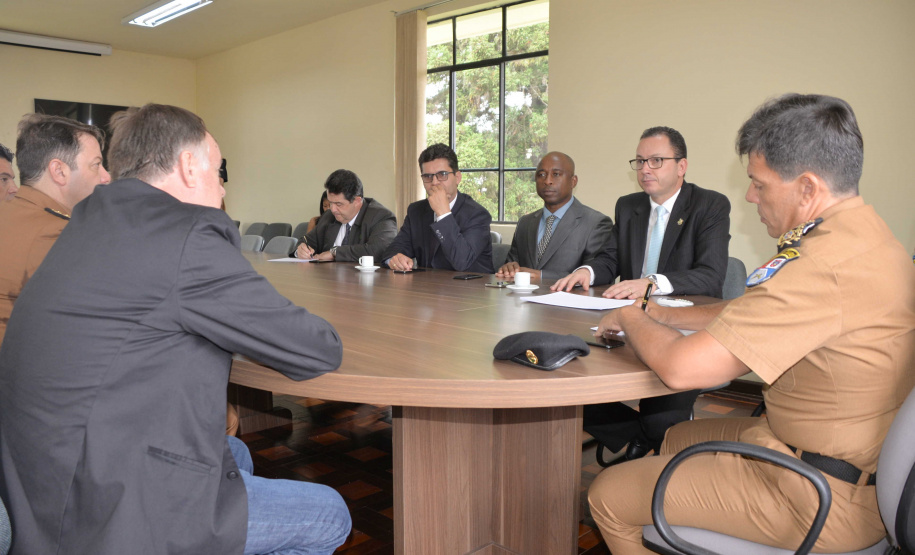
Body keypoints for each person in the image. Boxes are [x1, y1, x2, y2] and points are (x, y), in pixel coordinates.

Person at [0, 104, 351, 555]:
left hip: (41, 474)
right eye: (218, 168)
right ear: (188, 166)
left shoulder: (87, 224)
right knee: (330, 514)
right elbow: (317, 350)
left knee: (238, 454)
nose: (222, 183)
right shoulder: (183, 236)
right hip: (106, 503)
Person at [588, 94, 915, 554]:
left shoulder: (822, 266)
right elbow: (753, 311)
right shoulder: (862, 237)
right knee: (678, 434)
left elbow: (684, 369)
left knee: (606, 494)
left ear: (807, 188)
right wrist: (659, 313)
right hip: (834, 455)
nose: (749, 196)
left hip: (818, 493)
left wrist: (627, 316)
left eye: (759, 184)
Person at [553, 126, 731, 462]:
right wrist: (585, 272)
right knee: (564, 383)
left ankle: (658, 442)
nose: (645, 168)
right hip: (627, 326)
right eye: (639, 161)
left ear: (682, 166)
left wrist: (652, 282)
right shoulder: (629, 205)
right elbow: (611, 258)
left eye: (656, 160)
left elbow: (710, 277)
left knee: (660, 417)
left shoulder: (709, 205)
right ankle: (638, 437)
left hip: (682, 329)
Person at [0, 114, 111, 346]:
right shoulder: (56, 234)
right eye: (96, 165)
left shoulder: (10, 214)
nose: (106, 176)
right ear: (59, 171)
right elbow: (89, 330)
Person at [495, 151, 612, 281]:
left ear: (573, 181)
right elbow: (512, 263)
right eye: (541, 175)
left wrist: (542, 276)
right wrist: (509, 268)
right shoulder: (525, 223)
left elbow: (597, 275)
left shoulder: (596, 223)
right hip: (523, 299)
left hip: (569, 300)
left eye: (556, 174)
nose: (547, 181)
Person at [383, 143, 494, 273]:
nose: (434, 182)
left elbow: (462, 261)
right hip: (428, 288)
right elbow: (395, 248)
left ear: (457, 177)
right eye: (427, 176)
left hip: (469, 290)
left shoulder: (477, 215)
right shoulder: (416, 211)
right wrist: (395, 258)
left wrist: (443, 213)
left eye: (442, 174)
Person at [294, 169, 396, 262]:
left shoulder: (381, 216)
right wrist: (301, 248)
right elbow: (306, 240)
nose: (332, 209)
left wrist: (335, 252)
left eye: (339, 204)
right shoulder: (329, 216)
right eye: (330, 203)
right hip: (327, 279)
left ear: (357, 201)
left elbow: (379, 251)